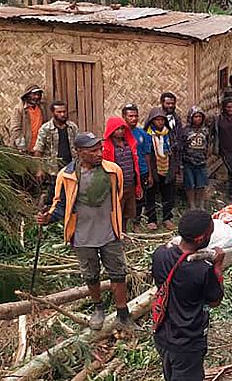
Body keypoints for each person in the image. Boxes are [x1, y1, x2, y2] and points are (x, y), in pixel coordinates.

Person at [37, 132, 130, 330]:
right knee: (90, 274)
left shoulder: (113, 171)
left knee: (118, 273)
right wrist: (48, 218)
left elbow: (119, 195)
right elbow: (60, 205)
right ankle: (98, 308)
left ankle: (123, 314)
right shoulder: (66, 176)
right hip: (82, 234)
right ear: (79, 152)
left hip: (109, 231)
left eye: (100, 149)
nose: (99, 154)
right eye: (93, 151)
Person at [151, 210, 224, 381]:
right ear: (201, 238)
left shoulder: (160, 254)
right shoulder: (203, 270)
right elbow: (215, 301)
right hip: (187, 342)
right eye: (210, 233)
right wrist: (218, 267)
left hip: (162, 335)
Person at [103, 116, 143, 232]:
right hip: (116, 186)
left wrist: (137, 184)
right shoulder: (107, 147)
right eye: (117, 129)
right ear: (111, 130)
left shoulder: (129, 144)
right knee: (117, 210)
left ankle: (123, 231)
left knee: (127, 211)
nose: (120, 131)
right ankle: (116, 233)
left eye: (122, 129)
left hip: (129, 183)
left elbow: (134, 163)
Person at [144, 108, 177, 230]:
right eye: (157, 119)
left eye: (162, 119)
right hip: (153, 168)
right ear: (151, 121)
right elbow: (146, 153)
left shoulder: (169, 134)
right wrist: (150, 172)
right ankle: (151, 219)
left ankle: (167, 218)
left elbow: (175, 150)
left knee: (168, 194)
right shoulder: (147, 135)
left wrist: (174, 168)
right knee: (150, 195)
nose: (160, 122)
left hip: (167, 167)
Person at [122, 104, 152, 226]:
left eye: (136, 116)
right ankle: (123, 224)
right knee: (124, 198)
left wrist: (149, 174)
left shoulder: (142, 134)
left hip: (141, 171)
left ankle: (136, 223)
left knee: (140, 198)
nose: (134, 119)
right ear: (124, 117)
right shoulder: (120, 133)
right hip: (126, 172)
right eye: (130, 116)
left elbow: (147, 154)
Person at [33, 101, 78, 180]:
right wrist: (39, 169)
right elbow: (38, 150)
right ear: (53, 113)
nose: (62, 114)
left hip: (71, 167)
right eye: (59, 112)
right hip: (52, 170)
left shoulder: (72, 127)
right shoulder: (46, 128)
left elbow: (78, 146)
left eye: (64, 111)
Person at [182, 107, 210, 210]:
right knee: (190, 184)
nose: (198, 119)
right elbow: (182, 145)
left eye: (199, 116)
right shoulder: (185, 131)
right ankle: (192, 205)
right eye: (195, 116)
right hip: (188, 161)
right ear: (191, 118)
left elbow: (208, 144)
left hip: (201, 162)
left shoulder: (205, 130)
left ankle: (201, 204)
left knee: (201, 184)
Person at [11, 84, 48, 153]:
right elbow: (16, 130)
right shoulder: (19, 109)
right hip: (25, 147)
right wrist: (22, 147)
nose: (37, 97)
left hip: (38, 147)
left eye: (38, 94)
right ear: (27, 95)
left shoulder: (42, 108)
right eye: (34, 94)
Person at [159, 92, 184, 179]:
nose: (170, 106)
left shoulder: (176, 119)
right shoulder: (157, 119)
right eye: (168, 103)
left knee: (172, 180)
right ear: (162, 103)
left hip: (174, 157)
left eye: (172, 103)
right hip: (161, 157)